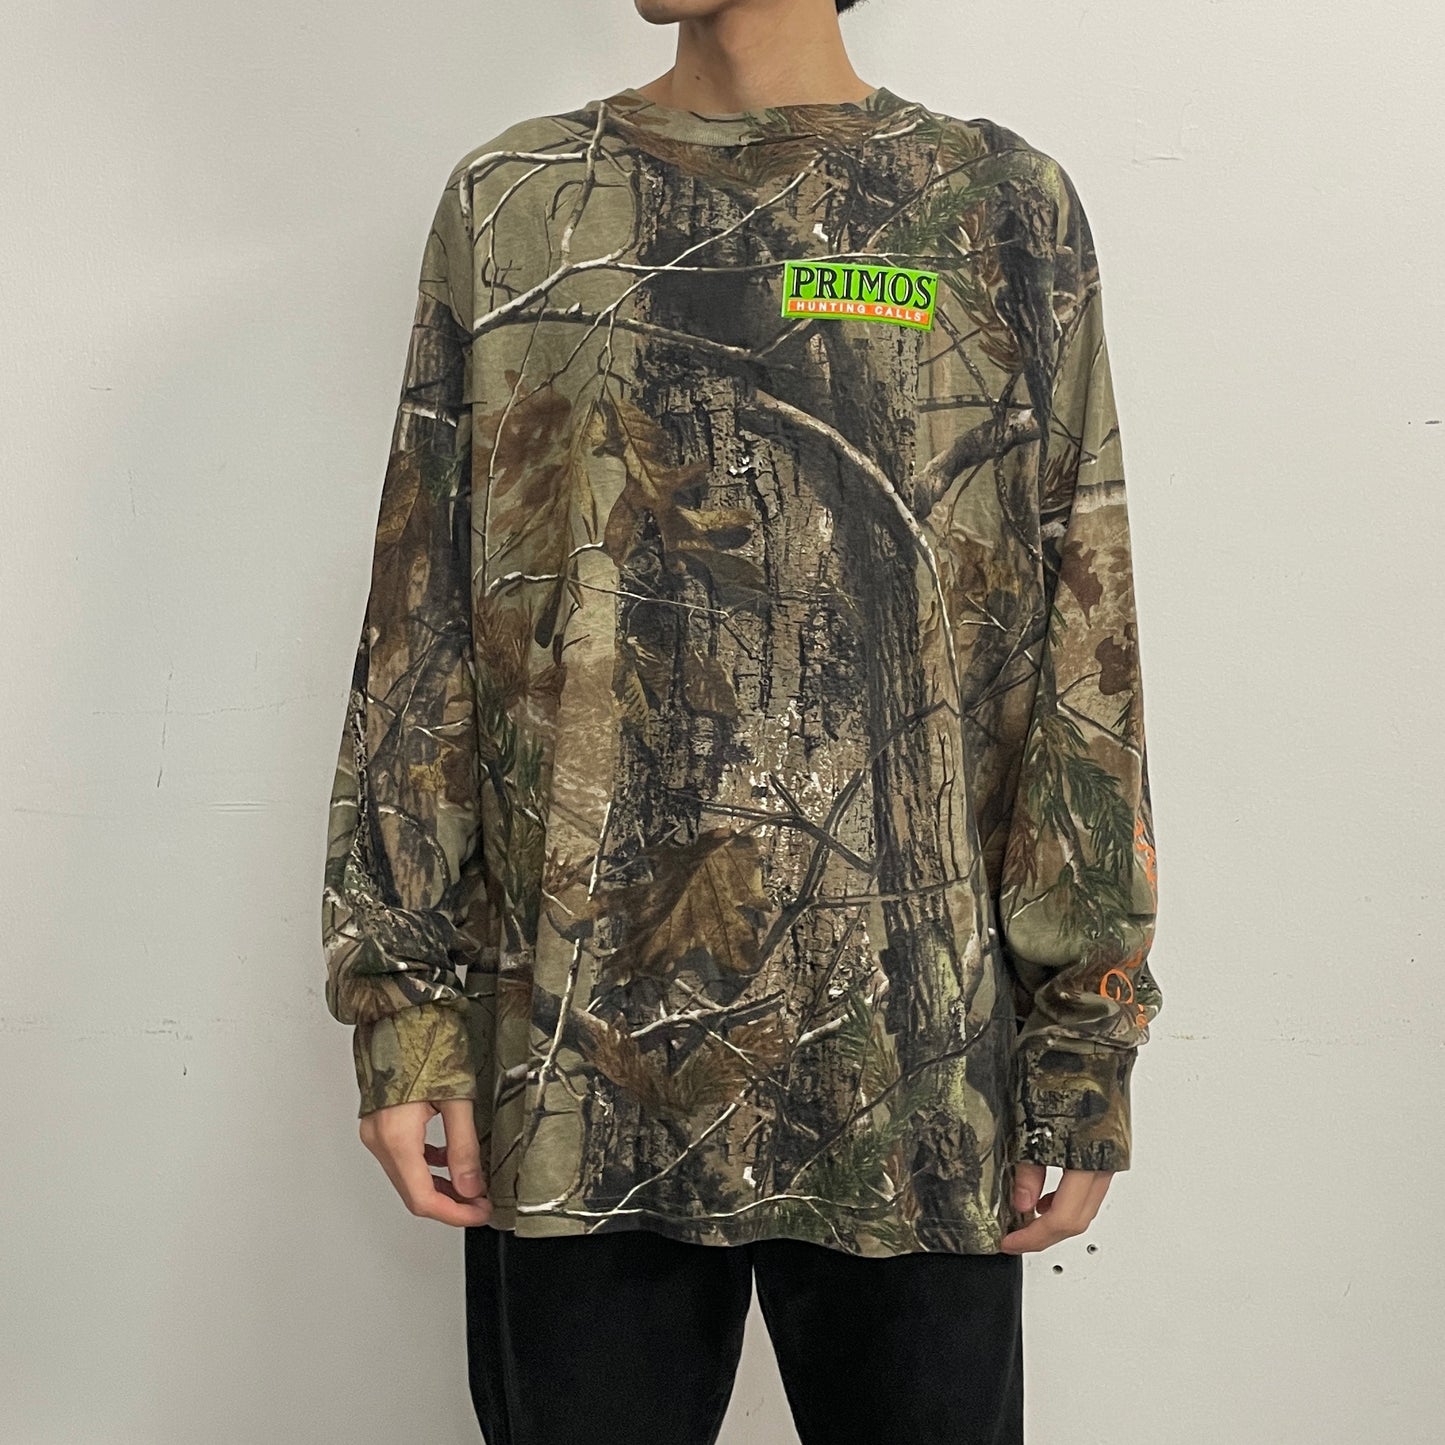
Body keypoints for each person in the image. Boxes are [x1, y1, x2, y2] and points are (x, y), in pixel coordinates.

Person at [320, 0, 1164, 1439]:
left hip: (908, 1062)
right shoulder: (519, 204)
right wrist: (403, 1007)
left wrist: (1082, 1041)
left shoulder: (997, 209)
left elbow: (1077, 637)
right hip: (580, 1060)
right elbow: (428, 622)